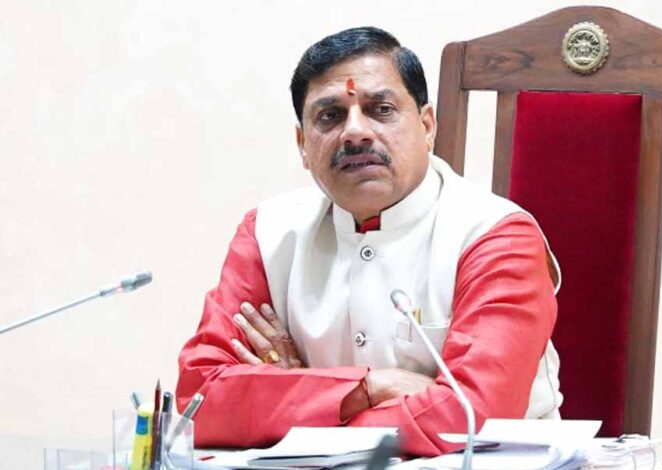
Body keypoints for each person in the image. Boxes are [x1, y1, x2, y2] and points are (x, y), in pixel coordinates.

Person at [176, 26, 563, 457]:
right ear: (303, 145)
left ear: (427, 126)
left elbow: (469, 419)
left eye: (381, 110)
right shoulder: (268, 233)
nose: (355, 132)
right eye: (330, 116)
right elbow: (200, 402)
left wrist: (295, 397)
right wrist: (367, 388)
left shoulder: (495, 235)